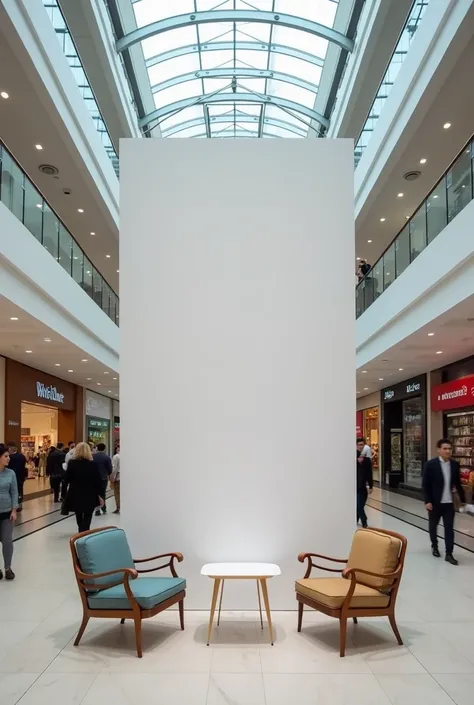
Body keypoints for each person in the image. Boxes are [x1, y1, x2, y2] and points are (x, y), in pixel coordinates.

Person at [422, 439, 465, 565]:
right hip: (435, 503)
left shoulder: (454, 464)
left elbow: (457, 483)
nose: (447, 451)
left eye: (449, 449)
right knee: (433, 526)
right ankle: (434, 546)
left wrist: (462, 500)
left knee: (449, 528)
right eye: (445, 448)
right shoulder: (431, 465)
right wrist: (427, 501)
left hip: (449, 503)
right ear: (438, 450)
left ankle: (449, 553)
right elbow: (425, 484)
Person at [64, 442, 104, 533]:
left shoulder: (72, 463)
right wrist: (100, 495)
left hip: (75, 492)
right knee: (88, 514)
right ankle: (85, 531)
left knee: (78, 513)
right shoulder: (93, 464)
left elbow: (66, 479)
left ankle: (80, 530)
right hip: (90, 493)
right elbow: (98, 481)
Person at [0, 443, 18, 580]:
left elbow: (14, 493)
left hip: (7, 513)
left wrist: (14, 510)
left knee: (7, 541)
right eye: (6, 456)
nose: (9, 458)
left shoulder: (11, 473)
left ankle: (8, 567)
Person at [356, 437, 373, 528]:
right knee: (357, 506)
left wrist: (370, 486)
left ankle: (361, 520)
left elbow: (369, 474)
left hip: (362, 487)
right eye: (358, 445)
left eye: (362, 445)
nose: (360, 446)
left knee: (360, 505)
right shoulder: (353, 458)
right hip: (354, 486)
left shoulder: (367, 460)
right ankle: (363, 521)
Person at [93, 443, 112, 516]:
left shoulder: (93, 456)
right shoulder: (106, 457)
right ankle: (103, 508)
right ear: (104, 449)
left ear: (97, 448)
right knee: (102, 493)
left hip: (94, 478)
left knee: (96, 493)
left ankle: (97, 510)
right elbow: (110, 469)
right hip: (103, 478)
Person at [7, 443, 27, 512]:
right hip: (20, 476)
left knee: (12, 491)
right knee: (20, 490)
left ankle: (13, 505)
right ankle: (19, 505)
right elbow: (24, 466)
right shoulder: (22, 456)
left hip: (12, 477)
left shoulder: (10, 458)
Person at [111, 444, 120, 514]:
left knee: (117, 493)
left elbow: (114, 468)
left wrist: (112, 478)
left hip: (118, 478)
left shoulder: (116, 456)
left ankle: (118, 507)